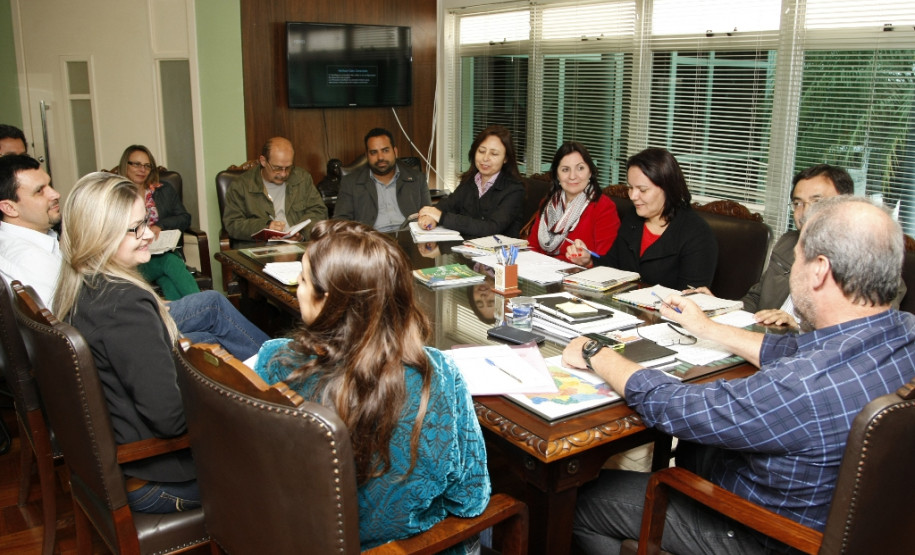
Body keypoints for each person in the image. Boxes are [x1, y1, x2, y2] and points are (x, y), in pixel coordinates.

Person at [563, 195, 915, 554]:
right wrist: (708, 328)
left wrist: (597, 353)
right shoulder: (904, 332)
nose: (792, 268)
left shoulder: (802, 386)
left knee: (581, 499)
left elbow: (679, 407)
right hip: (846, 521)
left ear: (820, 269)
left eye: (796, 259)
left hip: (759, 532)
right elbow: (789, 349)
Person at [253, 220, 490, 550]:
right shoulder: (439, 374)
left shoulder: (274, 361)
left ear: (330, 300)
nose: (297, 286)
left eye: (303, 280)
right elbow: (470, 500)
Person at [0, 157, 268, 359]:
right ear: (9, 207)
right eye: (40, 190)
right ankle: (283, 377)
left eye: (50, 185)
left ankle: (276, 380)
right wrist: (145, 308)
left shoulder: (33, 240)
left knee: (212, 329)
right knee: (212, 304)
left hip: (109, 328)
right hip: (110, 340)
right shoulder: (29, 258)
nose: (55, 193)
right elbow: (65, 331)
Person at [52, 174, 210, 513]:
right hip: (159, 474)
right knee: (289, 460)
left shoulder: (82, 286)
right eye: (136, 228)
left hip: (130, 459)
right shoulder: (124, 305)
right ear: (101, 235)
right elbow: (170, 419)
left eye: (146, 224)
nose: (148, 235)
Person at [566, 147, 717, 289]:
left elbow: (691, 300)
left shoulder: (697, 234)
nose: (632, 196)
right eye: (631, 187)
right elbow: (613, 264)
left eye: (642, 190)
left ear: (668, 188)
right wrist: (589, 260)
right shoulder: (634, 217)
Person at [118, 145, 199, 300]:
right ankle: (204, 306)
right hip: (133, 262)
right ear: (125, 165)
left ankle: (181, 320)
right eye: (136, 164)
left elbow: (184, 218)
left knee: (167, 278)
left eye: (147, 166)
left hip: (163, 251)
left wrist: (160, 226)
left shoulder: (163, 190)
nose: (142, 169)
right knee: (169, 262)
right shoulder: (115, 195)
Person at [417, 125, 525, 239]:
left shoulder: (515, 190)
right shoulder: (470, 180)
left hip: (500, 254)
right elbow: (448, 204)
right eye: (481, 151)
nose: (485, 158)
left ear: (506, 158)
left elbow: (491, 228)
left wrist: (441, 217)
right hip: (466, 250)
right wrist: (431, 217)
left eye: (494, 154)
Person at [527, 141, 619, 262]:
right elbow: (533, 247)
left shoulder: (603, 207)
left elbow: (607, 261)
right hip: (542, 273)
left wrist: (589, 262)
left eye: (580, 168)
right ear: (557, 175)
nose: (572, 176)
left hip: (581, 276)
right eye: (565, 170)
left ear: (590, 172)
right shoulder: (548, 203)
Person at [223, 136, 328, 241]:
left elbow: (319, 211)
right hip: (261, 248)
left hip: (298, 246)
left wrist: (302, 234)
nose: (283, 174)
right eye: (277, 168)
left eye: (288, 168)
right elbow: (233, 224)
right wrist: (266, 226)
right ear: (263, 161)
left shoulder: (302, 178)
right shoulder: (241, 185)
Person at [334, 128, 431, 231]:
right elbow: (340, 222)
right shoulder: (350, 183)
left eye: (385, 150)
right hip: (372, 241)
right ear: (367, 156)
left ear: (395, 152)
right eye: (373, 152)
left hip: (410, 238)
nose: (380, 157)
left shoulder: (417, 179)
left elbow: (429, 216)